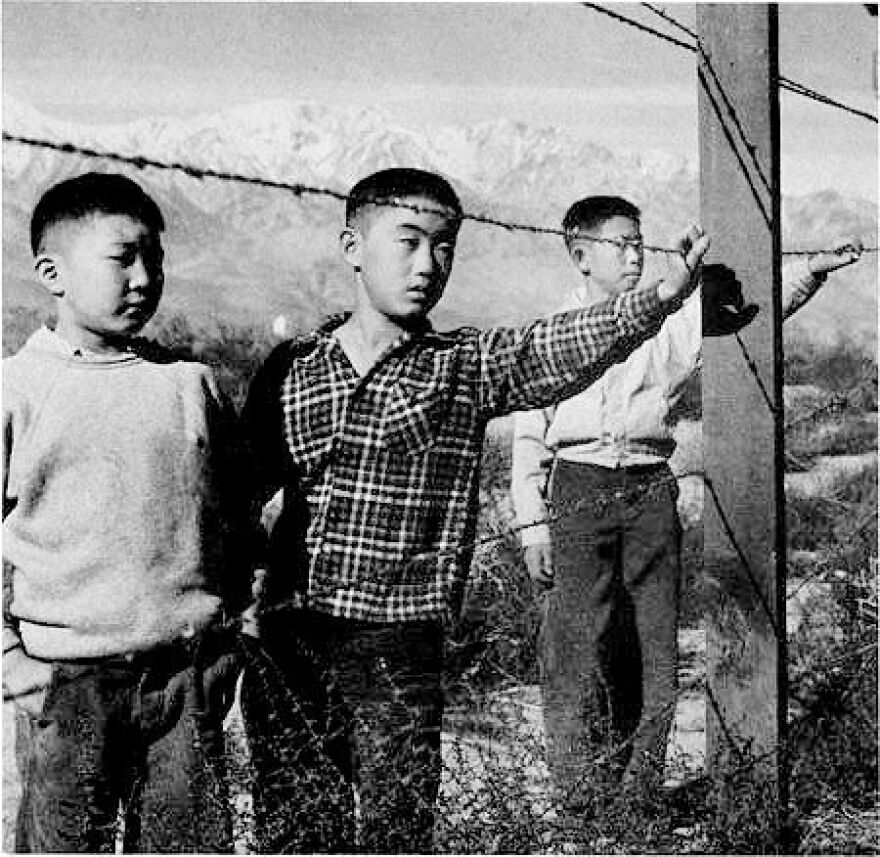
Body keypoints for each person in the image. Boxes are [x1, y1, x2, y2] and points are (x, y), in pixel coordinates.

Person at [239, 168, 711, 853]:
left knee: (398, 832)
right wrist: (242, 589)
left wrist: (659, 299)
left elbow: (552, 346)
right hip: (293, 643)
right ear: (353, 245)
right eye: (409, 241)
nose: (429, 264)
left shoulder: (462, 365)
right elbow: (234, 495)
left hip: (400, 644)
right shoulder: (292, 369)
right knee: (298, 827)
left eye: (445, 246)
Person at [509, 194, 865, 818]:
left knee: (653, 646)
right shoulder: (553, 332)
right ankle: (577, 797)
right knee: (576, 644)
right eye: (620, 244)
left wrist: (811, 272)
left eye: (639, 243)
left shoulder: (670, 321)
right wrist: (532, 524)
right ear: (580, 255)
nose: (634, 255)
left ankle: (635, 798)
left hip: (650, 488)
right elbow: (528, 436)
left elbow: (750, 314)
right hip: (578, 490)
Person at [2, 172, 259, 853]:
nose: (146, 277)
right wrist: (11, 660)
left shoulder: (191, 385)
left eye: (157, 259)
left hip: (183, 681)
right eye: (123, 257)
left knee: (185, 845)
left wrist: (229, 639)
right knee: (70, 843)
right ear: (51, 271)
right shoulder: (17, 391)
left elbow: (236, 520)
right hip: (72, 686)